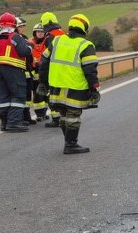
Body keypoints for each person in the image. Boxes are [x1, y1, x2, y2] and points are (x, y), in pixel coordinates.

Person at [38, 14, 100, 154]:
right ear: (84, 28)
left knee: (63, 115)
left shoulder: (57, 41)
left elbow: (43, 62)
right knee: (73, 116)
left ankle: (69, 142)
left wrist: (42, 82)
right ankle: (71, 144)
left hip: (56, 87)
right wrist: (94, 88)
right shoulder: (86, 45)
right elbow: (90, 70)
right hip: (75, 87)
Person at [0, 13, 31, 132]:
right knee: (18, 95)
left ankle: (4, 123)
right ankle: (13, 123)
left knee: (3, 97)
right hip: (13, 70)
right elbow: (24, 52)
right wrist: (30, 46)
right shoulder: (15, 37)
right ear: (14, 24)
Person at [39, 12, 65, 128]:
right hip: (67, 71)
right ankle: (66, 117)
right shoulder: (65, 34)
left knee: (53, 96)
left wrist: (42, 79)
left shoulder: (50, 37)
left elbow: (46, 59)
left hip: (54, 71)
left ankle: (56, 119)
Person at [29, 23, 49, 122]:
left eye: (42, 32)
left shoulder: (47, 42)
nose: (40, 34)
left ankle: (44, 112)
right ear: (34, 32)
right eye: (38, 32)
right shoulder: (30, 43)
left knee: (45, 94)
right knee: (37, 94)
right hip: (35, 73)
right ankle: (39, 114)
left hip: (45, 73)